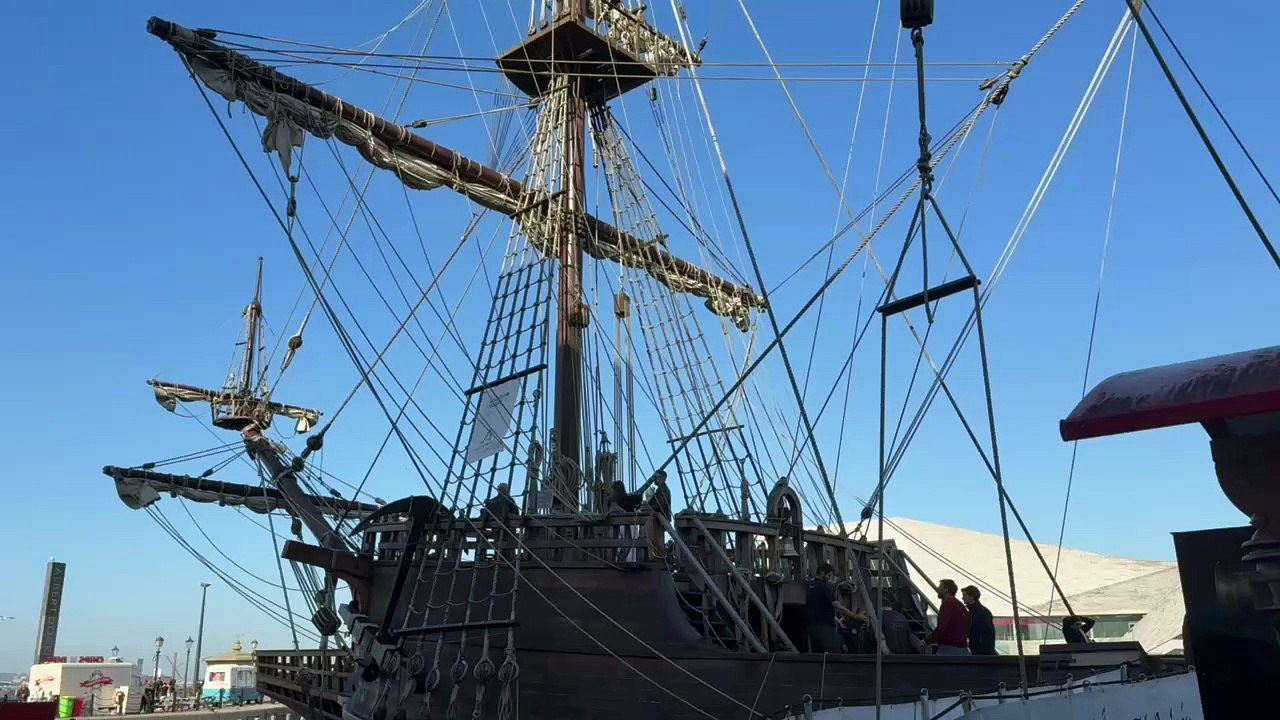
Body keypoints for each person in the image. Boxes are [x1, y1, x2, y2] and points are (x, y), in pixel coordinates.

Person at [806, 563, 860, 653]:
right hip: (825, 628)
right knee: (833, 653)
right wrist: (857, 616)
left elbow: (819, 608)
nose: (829, 578)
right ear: (823, 573)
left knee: (818, 654)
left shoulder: (810, 586)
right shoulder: (825, 587)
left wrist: (837, 620)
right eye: (829, 575)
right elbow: (839, 608)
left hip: (812, 628)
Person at [925, 579, 970, 656]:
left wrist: (928, 640)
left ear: (946, 590)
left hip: (948, 649)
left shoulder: (947, 604)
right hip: (962, 649)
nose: (937, 589)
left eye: (940, 587)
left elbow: (942, 627)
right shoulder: (959, 605)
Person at [962, 585, 996, 655]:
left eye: (964, 595)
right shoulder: (979, 611)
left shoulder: (979, 612)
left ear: (971, 597)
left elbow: (986, 632)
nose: (962, 598)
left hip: (981, 650)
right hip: (981, 649)